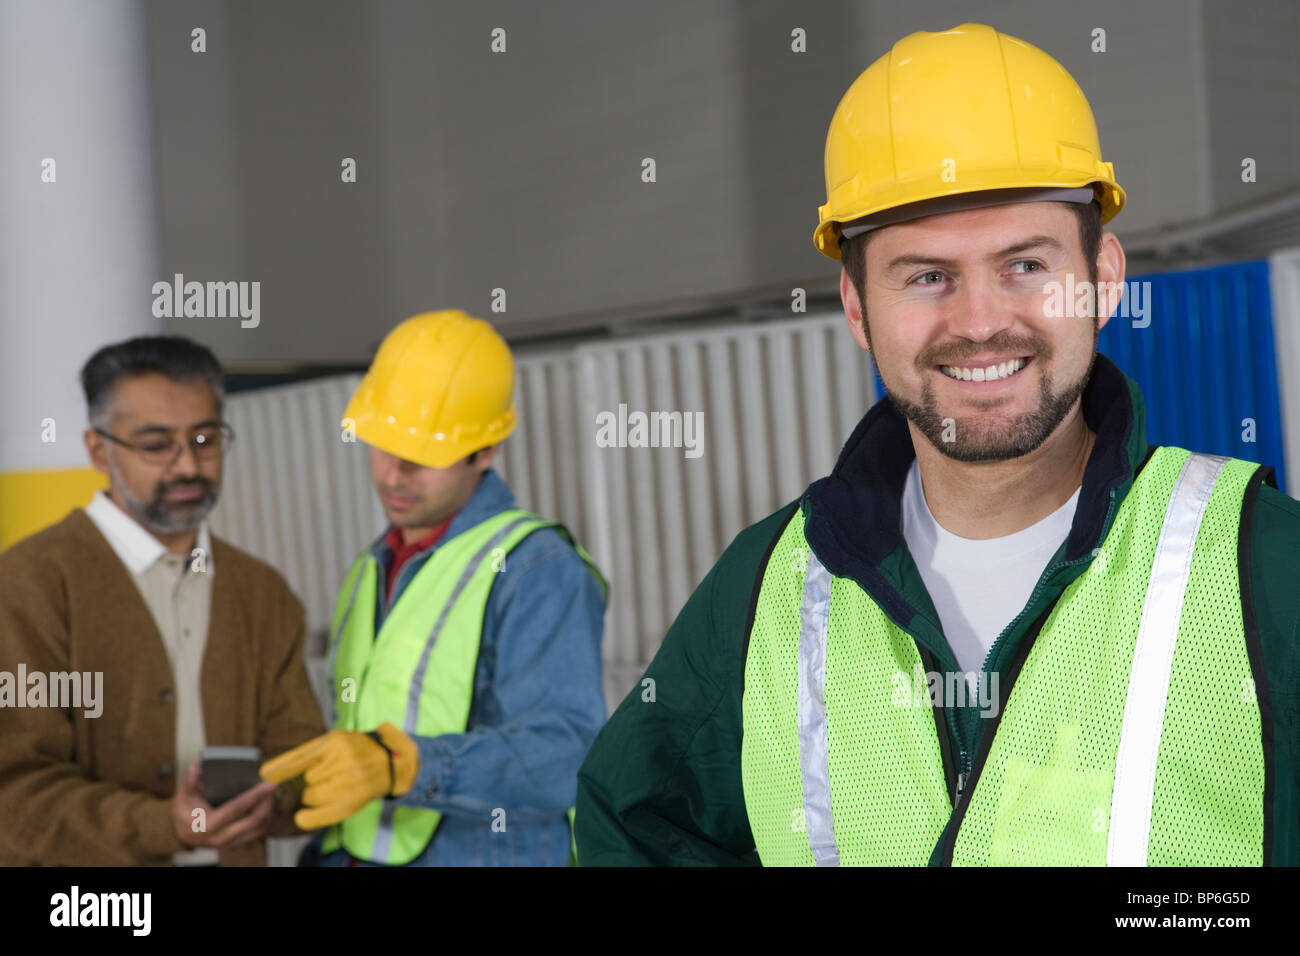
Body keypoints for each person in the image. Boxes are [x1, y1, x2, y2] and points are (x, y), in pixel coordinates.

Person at [575, 23, 1300, 866]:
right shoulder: (766, 590)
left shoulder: (1266, 566)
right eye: (927, 276)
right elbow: (633, 825)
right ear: (855, 307)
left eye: (1025, 265)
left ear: (1102, 278)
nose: (982, 322)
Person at [262, 310, 607, 866]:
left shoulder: (535, 568)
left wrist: (405, 766)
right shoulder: (374, 566)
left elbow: (566, 752)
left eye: (423, 457)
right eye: (382, 446)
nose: (394, 475)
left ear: (485, 452)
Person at [0, 335, 325, 865]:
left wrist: (272, 800)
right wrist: (167, 825)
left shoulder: (261, 592)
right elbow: (14, 792)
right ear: (98, 450)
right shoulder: (28, 584)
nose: (187, 467)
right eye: (156, 445)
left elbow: (300, 757)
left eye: (204, 439)